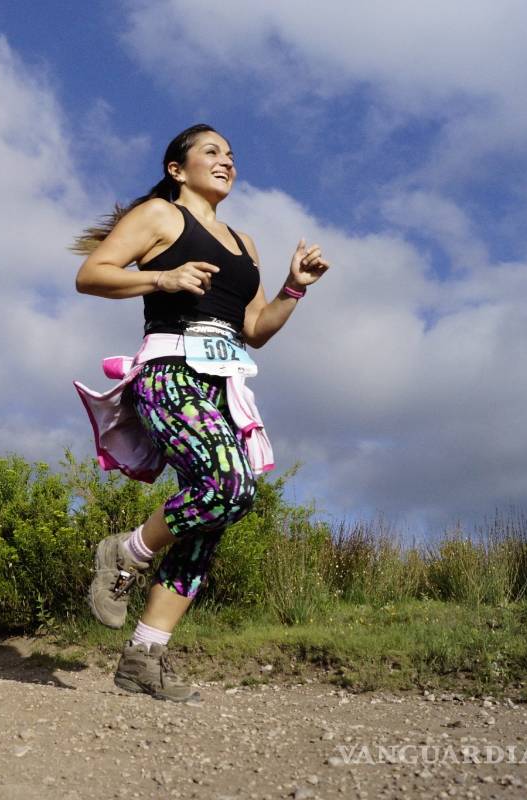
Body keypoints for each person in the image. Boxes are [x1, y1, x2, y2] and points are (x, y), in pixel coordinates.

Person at [71, 123, 330, 702]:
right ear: (177, 169)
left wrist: (293, 287)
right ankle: (126, 551)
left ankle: (144, 658)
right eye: (211, 152)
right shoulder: (160, 218)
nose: (226, 161)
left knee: (211, 518)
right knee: (229, 483)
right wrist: (163, 276)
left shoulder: (245, 245)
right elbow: (90, 275)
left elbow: (256, 330)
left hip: (222, 385)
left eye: (232, 155)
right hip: (169, 373)